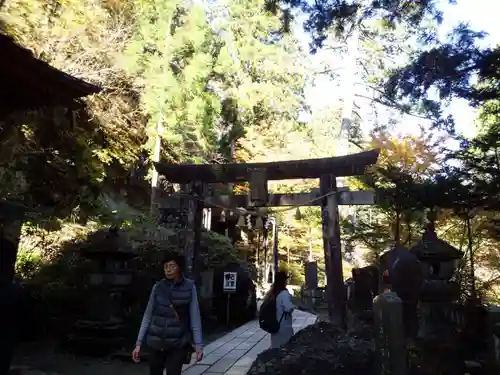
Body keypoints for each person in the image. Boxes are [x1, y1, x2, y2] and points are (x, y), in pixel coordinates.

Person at [132, 252, 204, 375]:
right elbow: (148, 315)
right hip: (155, 342)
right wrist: (138, 343)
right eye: (166, 267)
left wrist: (199, 345)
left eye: (172, 266)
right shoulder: (158, 287)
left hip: (177, 343)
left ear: (179, 267)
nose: (168, 270)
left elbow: (195, 317)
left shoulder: (189, 287)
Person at [264, 271, 295, 348]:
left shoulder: (273, 292)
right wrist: (293, 306)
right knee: (285, 348)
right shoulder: (284, 293)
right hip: (284, 325)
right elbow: (288, 308)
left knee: (275, 347)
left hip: (274, 324)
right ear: (284, 281)